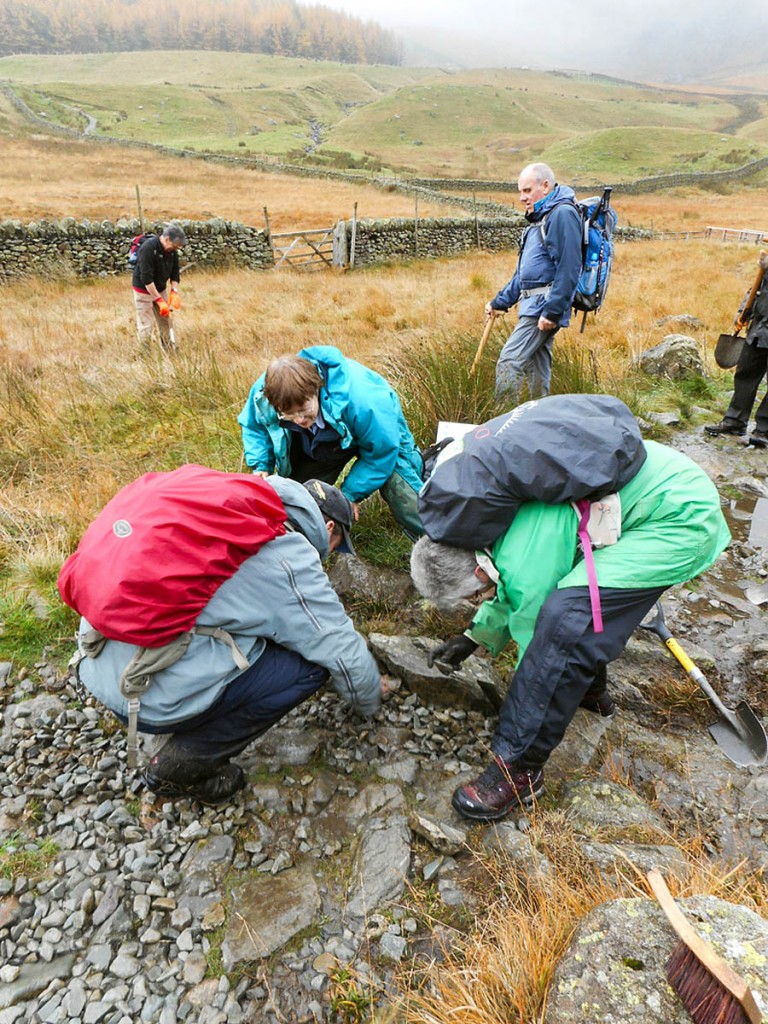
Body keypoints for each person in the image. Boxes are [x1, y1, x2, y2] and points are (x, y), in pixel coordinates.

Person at [410, 440, 730, 823]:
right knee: (578, 608)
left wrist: (522, 715)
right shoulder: (491, 526)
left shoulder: (523, 552)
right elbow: (510, 581)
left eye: (473, 598)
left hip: (679, 520)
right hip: (668, 485)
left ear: (479, 570)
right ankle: (591, 695)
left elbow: (541, 646)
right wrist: (474, 637)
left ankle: (520, 771)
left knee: (564, 623)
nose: (477, 602)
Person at [66, 473, 382, 805]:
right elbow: (340, 649)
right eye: (336, 545)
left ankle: (180, 703)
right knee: (311, 666)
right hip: (145, 700)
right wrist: (370, 702)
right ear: (329, 528)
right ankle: (188, 760)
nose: (330, 554)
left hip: (96, 661)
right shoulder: (286, 551)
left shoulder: (226, 507)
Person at [238, 345, 425, 539]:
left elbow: (382, 452)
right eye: (289, 414)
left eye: (303, 409)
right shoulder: (268, 393)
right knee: (296, 498)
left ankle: (438, 543)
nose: (300, 420)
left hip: (381, 437)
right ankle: (303, 543)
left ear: (315, 389)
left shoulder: (363, 399)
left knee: (405, 495)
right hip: (322, 443)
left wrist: (350, 494)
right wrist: (261, 464)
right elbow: (254, 425)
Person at [486, 162, 582, 402]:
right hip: (534, 306)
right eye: (521, 191)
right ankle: (541, 419)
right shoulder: (539, 220)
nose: (522, 198)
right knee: (537, 370)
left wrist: (553, 311)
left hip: (542, 307)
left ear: (545, 186)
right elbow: (524, 275)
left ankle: (505, 421)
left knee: (509, 361)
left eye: (527, 190)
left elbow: (570, 266)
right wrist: (499, 302)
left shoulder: (562, 214)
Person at [705, 250, 768, 449]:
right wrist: (743, 310)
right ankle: (735, 421)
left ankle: (764, 430)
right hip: (759, 328)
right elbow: (757, 287)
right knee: (745, 373)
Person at [132, 222, 186, 353]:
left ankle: (169, 349)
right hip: (143, 290)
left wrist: (174, 291)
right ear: (166, 239)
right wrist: (158, 300)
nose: (175, 249)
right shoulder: (148, 249)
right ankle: (145, 354)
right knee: (146, 324)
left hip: (160, 288)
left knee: (166, 320)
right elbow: (146, 279)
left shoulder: (172, 251)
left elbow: (175, 273)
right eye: (174, 246)